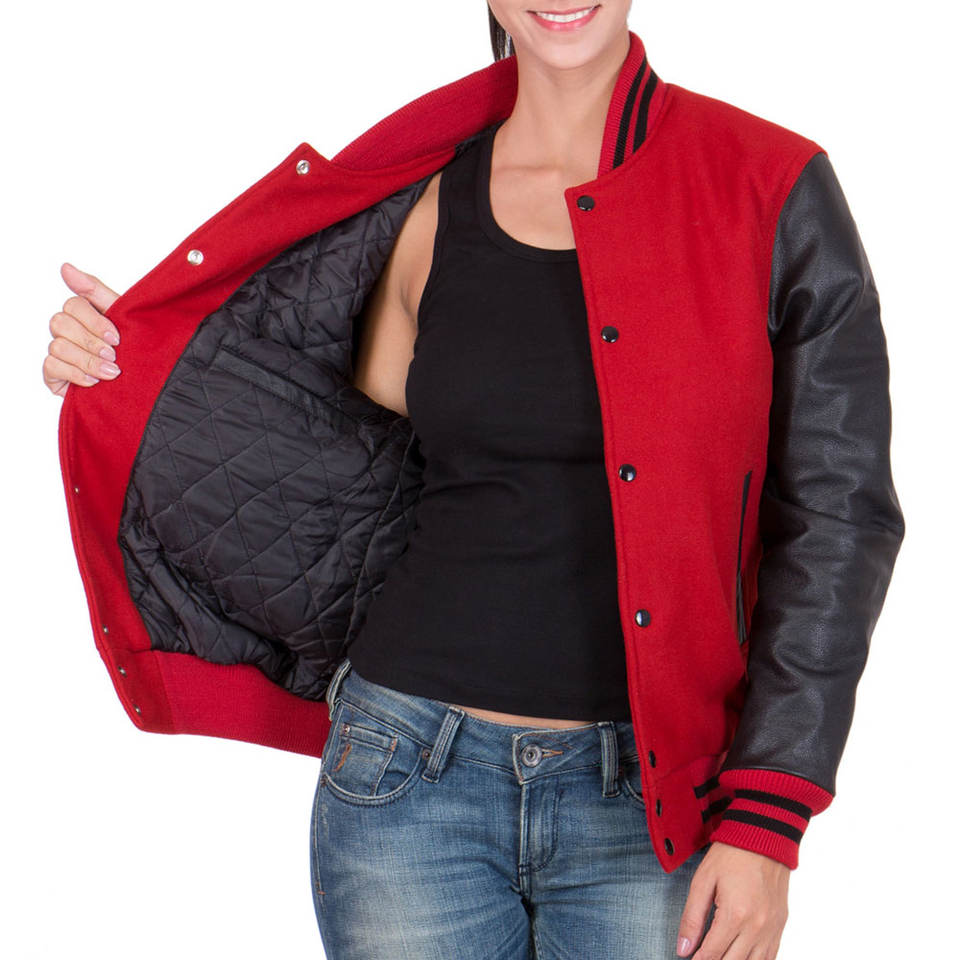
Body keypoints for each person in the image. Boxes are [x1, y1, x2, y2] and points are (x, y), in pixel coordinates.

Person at [42, 3, 905, 958]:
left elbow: (840, 515)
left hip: (657, 802)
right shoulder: (428, 200)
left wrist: (768, 817)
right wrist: (127, 358)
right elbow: (325, 428)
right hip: (406, 773)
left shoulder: (768, 185)